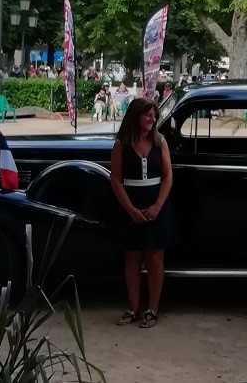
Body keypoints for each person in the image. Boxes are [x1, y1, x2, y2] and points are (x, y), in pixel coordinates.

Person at [110, 97, 174, 329]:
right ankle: (133, 307)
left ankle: (152, 309)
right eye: (147, 115)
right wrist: (130, 210)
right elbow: (116, 180)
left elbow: (168, 177)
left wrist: (157, 206)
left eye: (154, 115)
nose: (152, 119)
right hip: (131, 205)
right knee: (132, 257)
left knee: (155, 257)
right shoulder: (121, 144)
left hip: (157, 205)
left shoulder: (160, 142)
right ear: (136, 116)